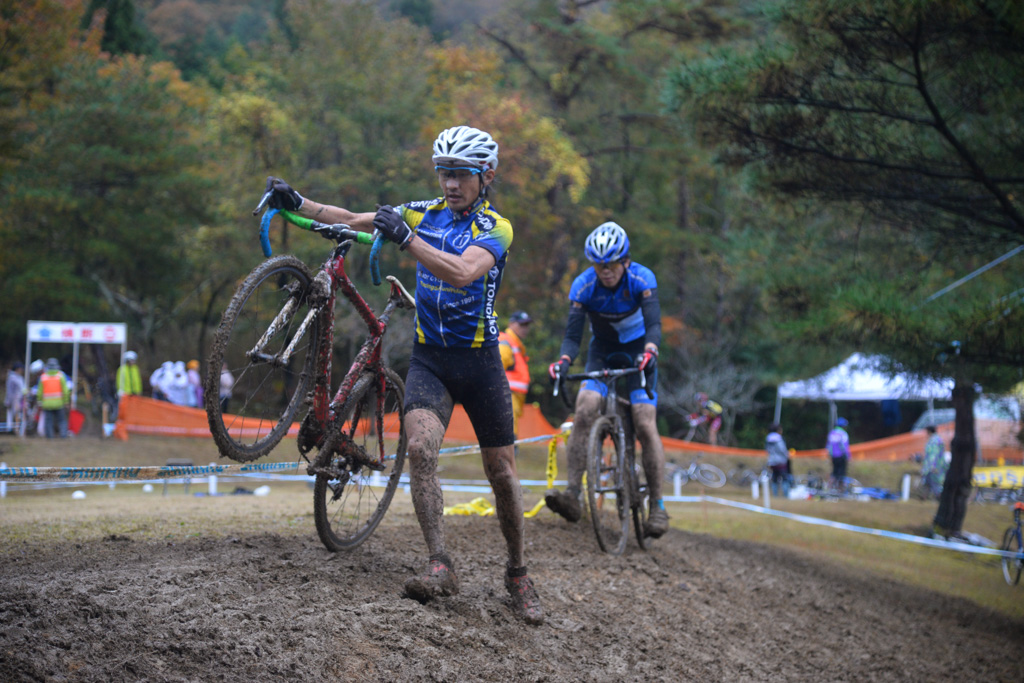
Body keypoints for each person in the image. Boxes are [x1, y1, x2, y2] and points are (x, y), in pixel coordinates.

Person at [263, 125, 543, 624]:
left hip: (480, 365)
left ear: (487, 176)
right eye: (444, 173)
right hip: (431, 360)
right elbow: (349, 218)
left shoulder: (497, 228)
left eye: (461, 174)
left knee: (501, 473)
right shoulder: (423, 211)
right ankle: (440, 564)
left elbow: (460, 271)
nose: (451, 183)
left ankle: (518, 572)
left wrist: (408, 240)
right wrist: (298, 202)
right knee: (418, 450)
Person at [545, 221, 669, 538]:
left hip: (640, 351)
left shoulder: (642, 278)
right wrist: (563, 361)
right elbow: (573, 337)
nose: (605, 271)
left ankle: (657, 504)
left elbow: (654, 324)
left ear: (624, 261)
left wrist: (651, 350)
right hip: (602, 351)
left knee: (644, 421)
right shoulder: (583, 286)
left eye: (611, 264)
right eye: (599, 265)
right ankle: (573, 494)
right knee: (585, 408)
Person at [498, 310, 533, 444]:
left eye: (527, 325)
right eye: (522, 325)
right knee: (508, 439)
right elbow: (497, 370)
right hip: (507, 396)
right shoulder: (506, 342)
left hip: (514, 398)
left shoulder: (516, 344)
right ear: (511, 324)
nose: (525, 329)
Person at [37, 358, 70, 438]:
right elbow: (65, 390)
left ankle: (49, 436)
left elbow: (40, 391)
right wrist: (66, 401)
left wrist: (40, 401)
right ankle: (63, 435)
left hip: (47, 404)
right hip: (59, 403)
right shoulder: (60, 376)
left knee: (48, 421)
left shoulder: (43, 377)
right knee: (61, 420)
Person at [920, 425, 948, 497]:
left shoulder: (934, 441)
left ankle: (940, 497)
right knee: (928, 481)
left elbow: (934, 454)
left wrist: (933, 466)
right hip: (933, 466)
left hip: (934, 466)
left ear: (929, 431)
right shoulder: (936, 439)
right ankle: (924, 497)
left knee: (935, 484)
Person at [765, 423, 791, 497]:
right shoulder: (779, 438)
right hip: (781, 461)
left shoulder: (768, 438)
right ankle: (786, 495)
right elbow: (782, 449)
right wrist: (787, 455)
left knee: (774, 478)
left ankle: (775, 495)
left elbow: (767, 450)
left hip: (772, 461)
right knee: (785, 478)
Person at [827, 417, 852, 490]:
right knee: (842, 473)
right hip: (841, 456)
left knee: (834, 472)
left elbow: (828, 446)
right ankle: (840, 489)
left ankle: (830, 487)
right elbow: (844, 446)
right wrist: (848, 456)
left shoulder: (832, 433)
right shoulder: (843, 434)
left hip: (833, 457)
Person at [4, 361, 25, 432]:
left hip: (20, 399)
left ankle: (17, 429)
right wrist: (8, 401)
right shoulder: (12, 378)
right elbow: (9, 391)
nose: (22, 370)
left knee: (18, 415)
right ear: (17, 369)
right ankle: (11, 429)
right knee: (13, 415)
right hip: (13, 400)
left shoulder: (20, 378)